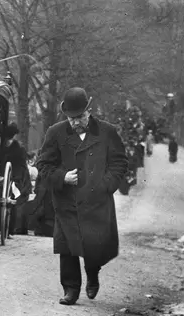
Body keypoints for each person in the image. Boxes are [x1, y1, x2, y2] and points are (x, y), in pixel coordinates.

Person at [34, 86, 128, 304]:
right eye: (70, 118)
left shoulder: (107, 132)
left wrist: (105, 185)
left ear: (89, 111)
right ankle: (71, 288)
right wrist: (62, 177)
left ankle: (93, 274)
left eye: (79, 118)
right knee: (67, 246)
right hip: (67, 200)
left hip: (97, 201)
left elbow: (119, 163)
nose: (75, 123)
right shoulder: (55, 133)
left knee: (93, 246)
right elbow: (44, 164)